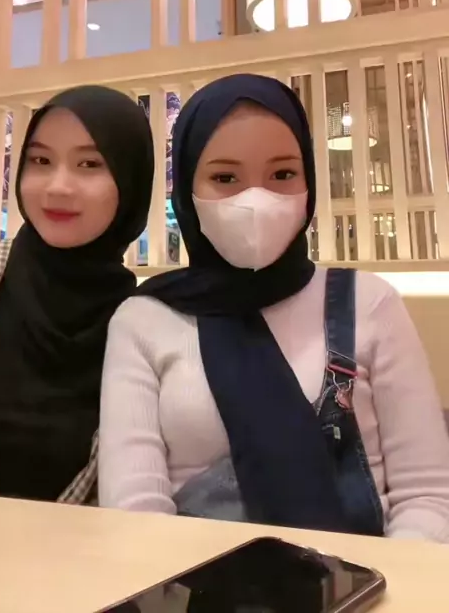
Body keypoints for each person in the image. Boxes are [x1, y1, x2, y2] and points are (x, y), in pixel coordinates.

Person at [99, 73, 449, 541]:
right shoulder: (144, 320)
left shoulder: (369, 303)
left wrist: (383, 581)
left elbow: (427, 496)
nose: (256, 200)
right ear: (186, 189)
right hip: (195, 579)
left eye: (282, 174)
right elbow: (134, 516)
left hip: (371, 577)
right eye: (225, 178)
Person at [0, 84, 154, 504]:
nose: (57, 186)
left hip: (70, 549)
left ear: (131, 180)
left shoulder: (147, 324)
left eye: (89, 164)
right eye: (40, 161)